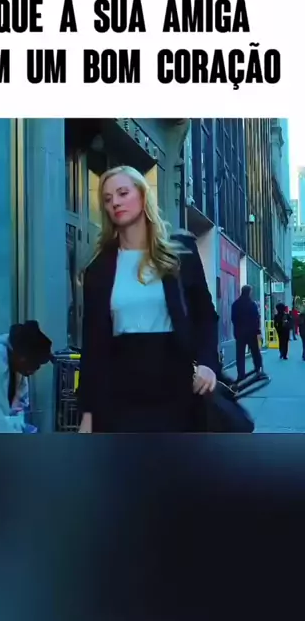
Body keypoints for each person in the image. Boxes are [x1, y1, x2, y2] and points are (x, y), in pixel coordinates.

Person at [77, 165, 220, 434]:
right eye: (107, 199)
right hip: (119, 391)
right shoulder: (99, 267)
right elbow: (93, 344)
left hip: (176, 386)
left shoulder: (180, 253)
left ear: (143, 196)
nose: (115, 202)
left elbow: (205, 316)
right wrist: (87, 413)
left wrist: (207, 363)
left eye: (122, 193)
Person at [231, 285, 264, 382]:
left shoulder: (235, 304)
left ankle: (241, 374)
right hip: (251, 332)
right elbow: (256, 318)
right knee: (255, 352)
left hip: (239, 333)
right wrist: (257, 330)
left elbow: (233, 318)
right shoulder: (252, 304)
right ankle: (258, 370)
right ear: (249, 292)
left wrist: (237, 328)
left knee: (240, 354)